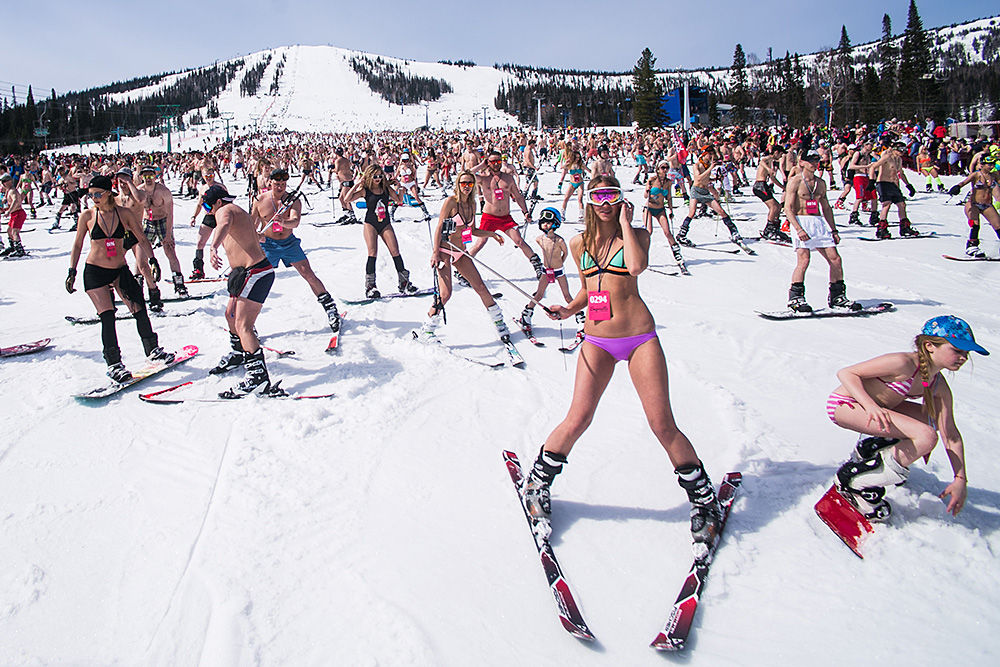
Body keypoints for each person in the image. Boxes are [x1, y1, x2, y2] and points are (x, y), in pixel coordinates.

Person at [522, 175, 722, 560]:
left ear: (620, 200)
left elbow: (635, 267)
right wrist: (569, 309)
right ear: (589, 200)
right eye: (598, 196)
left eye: (611, 196)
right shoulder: (578, 243)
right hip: (597, 339)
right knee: (578, 418)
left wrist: (626, 224)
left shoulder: (639, 235)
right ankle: (538, 483)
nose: (604, 203)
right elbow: (589, 290)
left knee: (662, 424)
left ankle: (702, 498)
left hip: (639, 338)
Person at [827, 315, 989, 520]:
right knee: (926, 436)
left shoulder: (938, 385)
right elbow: (847, 373)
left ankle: (872, 450)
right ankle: (855, 481)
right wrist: (870, 406)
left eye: (966, 353)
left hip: (878, 410)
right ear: (930, 346)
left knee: (930, 421)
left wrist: (960, 479)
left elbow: (951, 435)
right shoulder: (902, 363)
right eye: (957, 350)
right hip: (846, 405)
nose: (963, 358)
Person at [65, 175, 173, 382]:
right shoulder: (87, 216)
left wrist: (152, 260)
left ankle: (152, 349)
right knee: (107, 316)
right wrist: (72, 270)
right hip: (95, 271)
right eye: (91, 195)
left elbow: (141, 238)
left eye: (98, 194)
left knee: (139, 308)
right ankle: (114, 364)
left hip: (119, 269)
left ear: (108, 194)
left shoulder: (124, 214)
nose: (94, 198)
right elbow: (77, 245)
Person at [204, 184, 279, 397]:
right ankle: (239, 353)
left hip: (256, 272)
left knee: (243, 325)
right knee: (230, 315)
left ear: (218, 202)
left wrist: (213, 246)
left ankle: (258, 378)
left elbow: (224, 224)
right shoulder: (237, 212)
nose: (207, 211)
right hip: (243, 273)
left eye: (208, 206)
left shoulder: (225, 210)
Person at [419, 171, 509, 340]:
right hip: (445, 251)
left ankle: (499, 322)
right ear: (458, 185)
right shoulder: (451, 202)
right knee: (445, 294)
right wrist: (435, 253)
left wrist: (492, 234)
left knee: (480, 287)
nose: (466, 186)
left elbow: (472, 230)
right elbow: (439, 227)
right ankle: (427, 329)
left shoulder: (472, 204)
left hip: (460, 252)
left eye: (469, 183)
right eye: (463, 183)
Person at [252, 168, 341, 334]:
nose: (280, 187)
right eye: (277, 184)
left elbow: (295, 221)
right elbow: (252, 225)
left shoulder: (293, 200)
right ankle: (249, 321)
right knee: (259, 280)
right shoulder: (260, 200)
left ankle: (330, 308)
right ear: (270, 182)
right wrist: (257, 236)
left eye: (283, 184)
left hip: (289, 243)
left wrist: (283, 222)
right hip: (268, 245)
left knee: (308, 274)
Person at [783, 152, 860, 313]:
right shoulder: (795, 181)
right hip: (801, 220)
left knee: (835, 259)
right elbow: (788, 208)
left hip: (818, 222)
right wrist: (798, 228)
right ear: (802, 162)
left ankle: (837, 296)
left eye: (816, 160)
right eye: (810, 161)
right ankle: (795, 298)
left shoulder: (820, 183)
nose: (814, 164)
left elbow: (826, 207)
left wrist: (833, 230)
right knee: (804, 260)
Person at [342, 165, 418, 298]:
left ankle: (404, 282)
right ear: (369, 177)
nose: (378, 179)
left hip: (385, 223)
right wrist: (357, 184)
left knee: (395, 251)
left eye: (380, 176)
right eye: (375, 176)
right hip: (370, 223)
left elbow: (399, 200)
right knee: (372, 253)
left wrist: (399, 186)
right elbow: (347, 199)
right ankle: (370, 286)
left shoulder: (385, 188)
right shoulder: (365, 190)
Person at [468, 150, 544, 278]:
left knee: (519, 241)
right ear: (488, 162)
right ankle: (463, 270)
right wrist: (481, 165)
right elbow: (466, 174)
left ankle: (537, 265)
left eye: (498, 161)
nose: (496, 164)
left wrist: (525, 212)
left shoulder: (508, 178)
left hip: (505, 217)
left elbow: (518, 196)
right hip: (489, 217)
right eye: (493, 161)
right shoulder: (483, 178)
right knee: (480, 243)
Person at [519, 207, 585, 336]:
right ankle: (526, 314)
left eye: (548, 222)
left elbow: (565, 253)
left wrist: (560, 263)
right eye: (543, 222)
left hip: (558, 271)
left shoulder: (560, 241)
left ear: (555, 224)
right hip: (546, 271)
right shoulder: (540, 239)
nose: (545, 225)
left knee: (567, 296)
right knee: (539, 294)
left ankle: (580, 317)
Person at [138, 164, 188, 295]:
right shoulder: (139, 191)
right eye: (145, 176)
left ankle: (179, 283)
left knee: (170, 251)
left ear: (155, 176)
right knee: (141, 254)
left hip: (163, 221)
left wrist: (168, 234)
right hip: (147, 221)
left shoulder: (163, 191)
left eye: (150, 176)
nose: (148, 179)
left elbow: (170, 213)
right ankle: (138, 282)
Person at [948, 155, 1000, 258]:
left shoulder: (994, 175)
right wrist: (957, 187)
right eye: (989, 164)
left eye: (992, 164)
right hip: (973, 204)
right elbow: (964, 182)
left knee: (998, 226)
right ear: (982, 165)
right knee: (975, 224)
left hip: (987, 205)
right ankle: (972, 246)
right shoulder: (976, 175)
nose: (991, 166)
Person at [643, 163, 689, 274]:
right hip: (649, 208)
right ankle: (642, 255)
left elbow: (669, 197)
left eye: (667, 168)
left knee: (668, 233)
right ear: (658, 169)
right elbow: (645, 195)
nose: (665, 170)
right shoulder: (652, 180)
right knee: (648, 232)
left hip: (660, 209)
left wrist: (671, 210)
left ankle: (677, 254)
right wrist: (648, 190)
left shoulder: (668, 182)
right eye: (662, 168)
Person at [868, 142, 918, 239]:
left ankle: (904, 227)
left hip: (893, 184)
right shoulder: (887, 157)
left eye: (903, 151)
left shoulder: (899, 159)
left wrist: (908, 185)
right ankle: (881, 228)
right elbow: (873, 167)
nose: (902, 153)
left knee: (902, 204)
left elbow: (901, 173)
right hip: (883, 183)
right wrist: (871, 181)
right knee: (886, 204)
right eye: (900, 150)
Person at [753, 146, 791, 243]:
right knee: (774, 207)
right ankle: (768, 230)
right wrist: (768, 168)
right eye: (780, 154)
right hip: (760, 186)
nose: (781, 157)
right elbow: (761, 161)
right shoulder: (768, 159)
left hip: (764, 185)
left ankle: (775, 227)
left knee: (778, 206)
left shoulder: (772, 162)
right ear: (776, 152)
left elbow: (773, 179)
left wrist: (783, 187)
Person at [0, 174, 28, 257]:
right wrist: (5, 209)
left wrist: (9, 211)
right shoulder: (8, 191)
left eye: (4, 182)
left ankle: (20, 250)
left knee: (15, 232)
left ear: (9, 181)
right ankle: (13, 247)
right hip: (14, 214)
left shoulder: (13, 191)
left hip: (18, 213)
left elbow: (16, 201)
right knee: (9, 230)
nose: (3, 184)